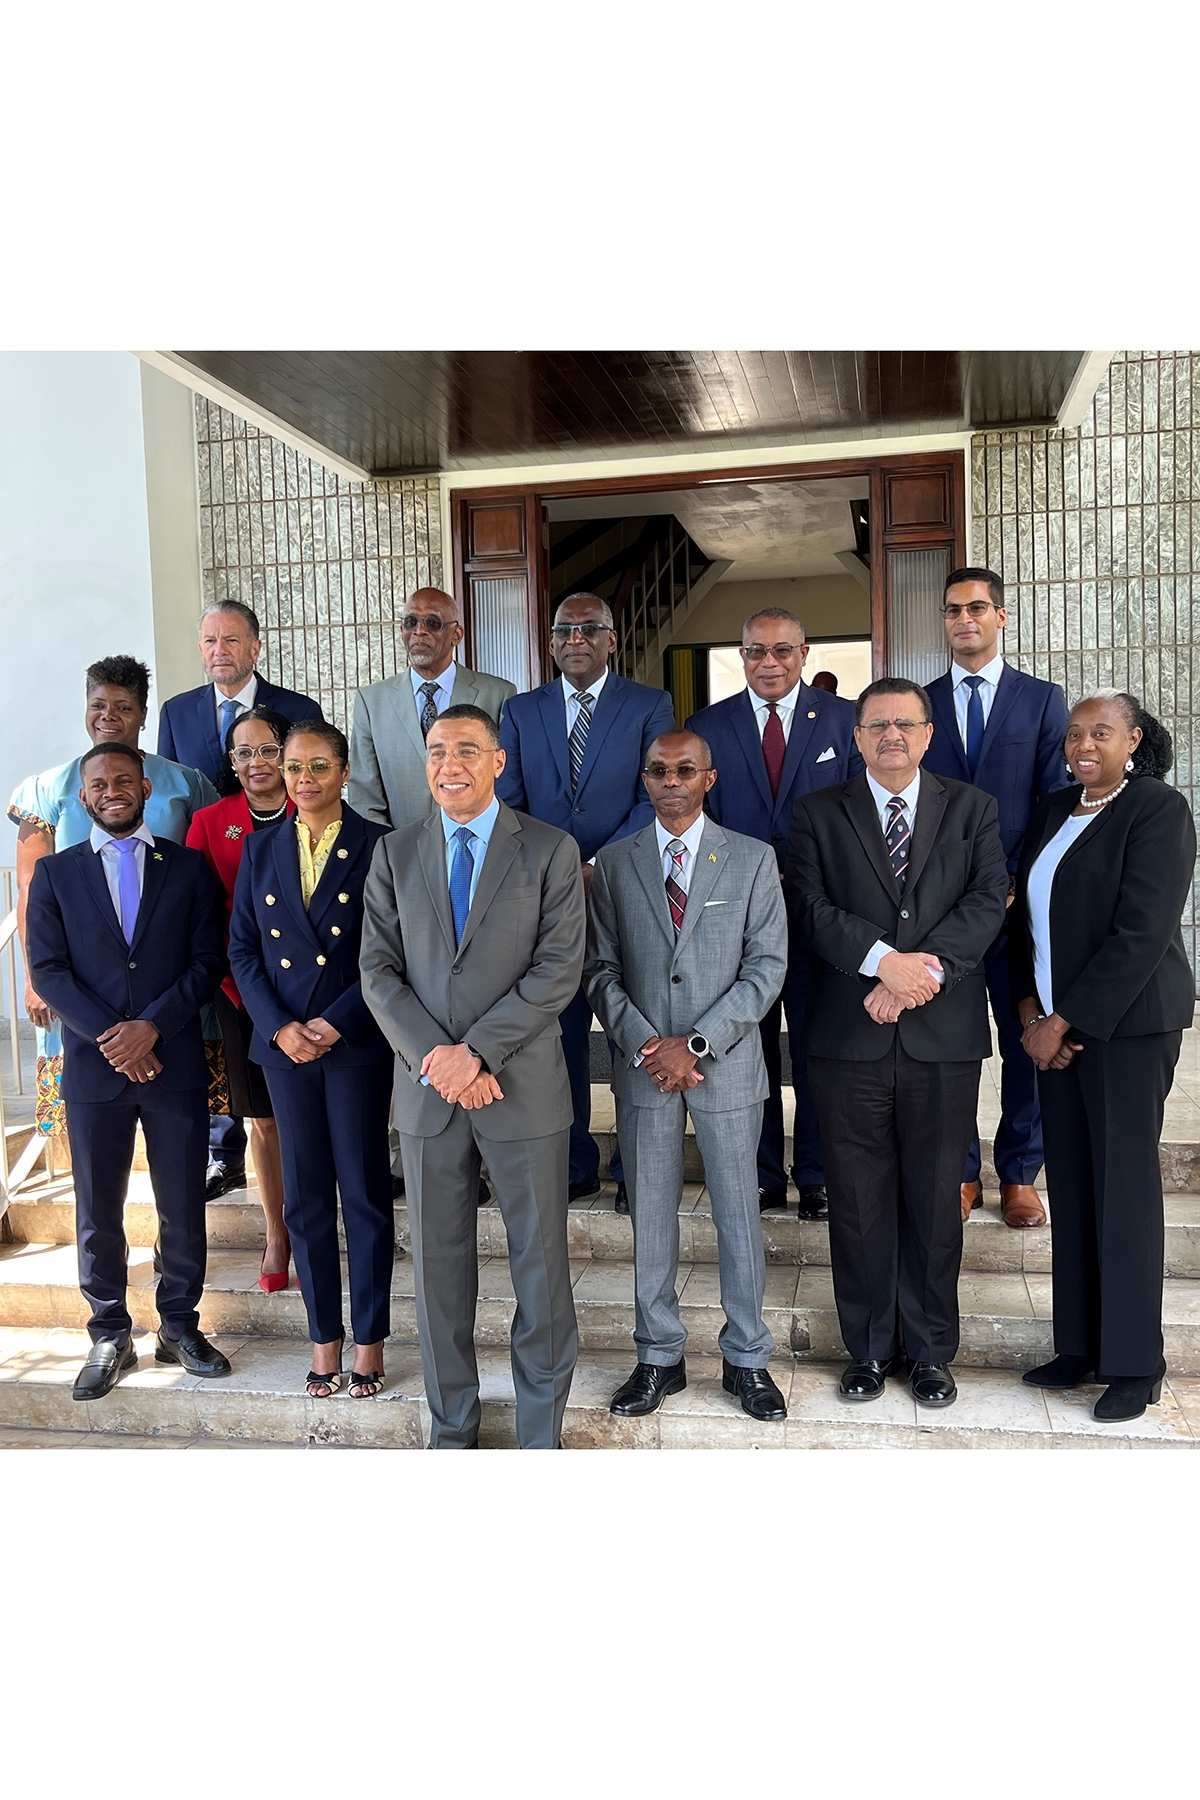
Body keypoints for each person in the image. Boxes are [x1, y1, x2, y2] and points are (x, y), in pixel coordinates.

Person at [361, 703, 585, 1448]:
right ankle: (451, 1428)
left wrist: (478, 1053)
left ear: (498, 761)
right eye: (435, 751)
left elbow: (558, 970)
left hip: (520, 1089)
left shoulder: (548, 850)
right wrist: (441, 1060)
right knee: (438, 1274)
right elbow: (379, 973)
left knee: (540, 1267)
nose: (448, 764)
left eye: (465, 749)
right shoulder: (395, 854)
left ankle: (536, 1434)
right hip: (430, 1097)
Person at [786, 677, 1009, 1408]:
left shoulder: (973, 809)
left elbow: (986, 902)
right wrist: (885, 963)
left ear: (927, 733)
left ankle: (932, 1350)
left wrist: (924, 972)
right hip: (848, 1040)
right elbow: (811, 909)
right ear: (855, 737)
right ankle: (869, 1349)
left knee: (935, 1201)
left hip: (941, 1042)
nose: (891, 736)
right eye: (877, 724)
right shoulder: (818, 812)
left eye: (905, 724)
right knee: (856, 1202)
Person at [586, 730, 789, 1421]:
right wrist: (650, 1045)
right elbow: (599, 969)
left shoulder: (754, 860)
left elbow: (767, 968)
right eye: (657, 771)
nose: (670, 780)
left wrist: (696, 1045)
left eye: (684, 770)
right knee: (651, 1215)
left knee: (738, 1213)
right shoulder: (613, 864)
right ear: (643, 780)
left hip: (725, 1069)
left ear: (709, 778)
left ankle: (748, 1360)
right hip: (645, 1069)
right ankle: (658, 1357)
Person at [1010, 693, 1195, 1423]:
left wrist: (1065, 1019)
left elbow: (1142, 931)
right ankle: (1079, 1346)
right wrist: (1028, 1012)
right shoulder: (1057, 810)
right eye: (1075, 734)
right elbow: (1023, 920)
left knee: (1123, 1193)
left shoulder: (1156, 809)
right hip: (1054, 1031)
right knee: (1078, 1187)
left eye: (1102, 733)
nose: (1084, 744)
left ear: (1134, 739)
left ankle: (1134, 1364)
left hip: (1126, 1029)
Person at [25, 742, 229, 1400]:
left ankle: (178, 1326)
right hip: (95, 1069)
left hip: (172, 1064)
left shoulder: (190, 869)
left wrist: (152, 1028)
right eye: (98, 784)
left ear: (144, 788)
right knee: (97, 1212)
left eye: (123, 781)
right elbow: (50, 970)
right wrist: (114, 1037)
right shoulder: (56, 876)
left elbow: (206, 961)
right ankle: (109, 1332)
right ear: (83, 798)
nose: (112, 791)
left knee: (180, 1207)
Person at [229, 722, 395, 1399]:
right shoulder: (262, 847)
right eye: (289, 764)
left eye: (317, 765)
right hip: (285, 1050)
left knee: (362, 1195)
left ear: (344, 770)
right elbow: (242, 949)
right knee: (303, 1202)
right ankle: (323, 1340)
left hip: (353, 1042)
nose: (301, 777)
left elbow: (391, 951)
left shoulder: (379, 845)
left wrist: (333, 1022)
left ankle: (370, 1344)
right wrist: (278, 1028)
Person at [497, 592, 676, 1208]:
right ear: (549, 642)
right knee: (558, 1032)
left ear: (612, 638)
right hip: (544, 897)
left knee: (636, 1026)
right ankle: (573, 1166)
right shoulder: (519, 712)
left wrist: (596, 861)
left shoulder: (649, 705)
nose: (576, 638)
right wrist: (556, 865)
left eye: (590, 628)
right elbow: (510, 801)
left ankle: (635, 1168)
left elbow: (654, 792)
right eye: (564, 630)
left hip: (625, 885)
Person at [687, 607, 861, 1217]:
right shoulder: (707, 726)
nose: (769, 662)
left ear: (804, 653)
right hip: (733, 918)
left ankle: (814, 1171)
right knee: (743, 1049)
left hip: (821, 916)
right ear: (741, 654)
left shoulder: (845, 721)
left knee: (818, 1048)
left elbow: (860, 815)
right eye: (757, 651)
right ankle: (759, 1173)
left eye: (783, 650)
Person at [8, 655, 217, 1153]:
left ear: (143, 715)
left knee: (175, 1137)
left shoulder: (186, 783)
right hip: (85, 991)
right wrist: (36, 978)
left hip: (166, 987)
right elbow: (30, 885)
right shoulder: (47, 789)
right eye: (98, 704)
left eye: (122, 706)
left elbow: (209, 873)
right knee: (96, 1144)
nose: (108, 716)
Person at [157, 600, 323, 1198]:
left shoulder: (300, 709)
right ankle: (225, 1155)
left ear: (255, 646)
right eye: (208, 640)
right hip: (228, 947)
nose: (218, 649)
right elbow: (179, 806)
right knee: (241, 1080)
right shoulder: (178, 713)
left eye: (231, 638)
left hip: (309, 961)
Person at [923, 567, 1069, 1228]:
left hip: (1017, 911)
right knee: (950, 1045)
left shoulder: (1041, 701)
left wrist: (1011, 877)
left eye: (977, 608)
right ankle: (956, 1170)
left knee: (1022, 1038)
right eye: (953, 610)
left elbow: (1052, 804)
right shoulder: (919, 706)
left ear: (1001, 616)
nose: (964, 620)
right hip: (941, 911)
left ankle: (1017, 1172)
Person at [186, 705, 296, 1293]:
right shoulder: (211, 822)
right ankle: (277, 1233)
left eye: (268, 749)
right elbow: (201, 916)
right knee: (264, 1123)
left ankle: (315, 1230)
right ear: (231, 762)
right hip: (242, 992)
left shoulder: (316, 805)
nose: (257, 762)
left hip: (316, 994)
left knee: (316, 1119)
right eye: (244, 752)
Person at [348, 587, 516, 830]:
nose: (419, 631)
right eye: (410, 622)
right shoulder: (372, 701)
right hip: (400, 852)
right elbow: (364, 794)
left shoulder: (498, 694)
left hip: (479, 846)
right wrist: (389, 851)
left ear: (456, 634)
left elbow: (507, 783)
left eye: (433, 623)